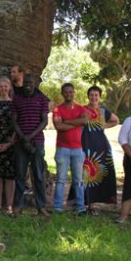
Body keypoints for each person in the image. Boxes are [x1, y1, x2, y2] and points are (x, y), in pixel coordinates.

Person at [11, 74, 50, 216]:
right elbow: (14, 121)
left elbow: (44, 121)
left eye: (31, 82)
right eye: (26, 82)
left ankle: (41, 207)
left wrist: (30, 137)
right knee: (20, 175)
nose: (28, 84)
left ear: (35, 84)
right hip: (20, 143)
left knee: (38, 175)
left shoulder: (42, 99)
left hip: (37, 142)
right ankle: (19, 206)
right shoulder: (17, 99)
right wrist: (23, 138)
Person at [81, 86, 120, 214]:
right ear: (88, 96)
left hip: (101, 146)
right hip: (86, 144)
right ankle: (86, 204)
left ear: (100, 97)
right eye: (91, 95)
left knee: (100, 173)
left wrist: (105, 126)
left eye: (96, 95)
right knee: (86, 174)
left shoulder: (103, 111)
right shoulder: (83, 110)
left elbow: (116, 120)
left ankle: (95, 204)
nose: (93, 97)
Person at [52, 83, 88, 214]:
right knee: (61, 180)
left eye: (70, 92)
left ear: (74, 93)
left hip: (78, 149)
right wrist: (75, 122)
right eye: (65, 92)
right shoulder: (57, 109)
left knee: (78, 180)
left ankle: (81, 208)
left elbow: (84, 121)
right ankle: (57, 207)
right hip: (63, 149)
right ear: (62, 94)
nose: (68, 94)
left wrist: (66, 121)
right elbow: (59, 126)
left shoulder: (81, 108)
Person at [0, 78, 16, 215]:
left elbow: (16, 125)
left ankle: (9, 206)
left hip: (11, 141)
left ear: (10, 87)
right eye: (1, 86)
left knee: (10, 176)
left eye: (6, 86)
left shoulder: (14, 104)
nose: (3, 88)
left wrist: (10, 143)